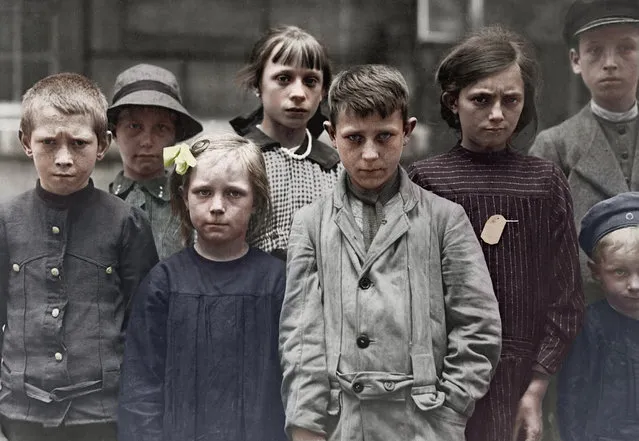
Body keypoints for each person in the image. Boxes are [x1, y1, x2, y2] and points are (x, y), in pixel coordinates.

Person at [279, 64, 502, 441]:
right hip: (341, 425)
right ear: (332, 135)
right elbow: (301, 337)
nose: (369, 154)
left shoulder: (445, 220)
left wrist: (448, 414)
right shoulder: (311, 224)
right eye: (354, 138)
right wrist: (306, 426)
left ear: (408, 132)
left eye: (384, 137)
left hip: (423, 425)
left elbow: (479, 329)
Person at [407, 27, 584, 441]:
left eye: (511, 100)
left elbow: (566, 298)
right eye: (481, 100)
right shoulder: (425, 181)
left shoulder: (544, 182)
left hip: (524, 377)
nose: (498, 114)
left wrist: (536, 390)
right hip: (442, 379)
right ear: (454, 101)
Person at [0, 73, 158, 440]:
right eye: (48, 143)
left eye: (79, 143)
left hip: (100, 413)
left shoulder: (128, 223)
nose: (64, 158)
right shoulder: (6, 222)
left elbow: (144, 327)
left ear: (102, 145)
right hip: (21, 411)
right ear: (26, 142)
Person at [118, 133, 287, 441]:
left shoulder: (276, 282)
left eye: (234, 194)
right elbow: (141, 385)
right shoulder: (163, 284)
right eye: (204, 192)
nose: (218, 206)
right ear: (185, 196)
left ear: (256, 201)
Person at [529, 0, 639, 305]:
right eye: (595, 51)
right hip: (585, 315)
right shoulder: (555, 146)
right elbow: (537, 247)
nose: (610, 63)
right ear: (576, 61)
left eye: (626, 48)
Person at [230, 25, 342, 260]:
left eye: (311, 81)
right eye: (283, 78)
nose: (299, 93)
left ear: (323, 92)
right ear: (257, 85)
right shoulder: (232, 161)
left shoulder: (337, 169)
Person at [558, 192, 639, 441]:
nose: (635, 285)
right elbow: (573, 398)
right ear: (595, 272)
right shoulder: (590, 325)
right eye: (620, 272)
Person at [108, 63, 203, 259]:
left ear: (175, 135)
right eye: (134, 126)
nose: (147, 142)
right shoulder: (97, 207)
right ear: (115, 132)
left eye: (161, 128)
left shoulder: (190, 207)